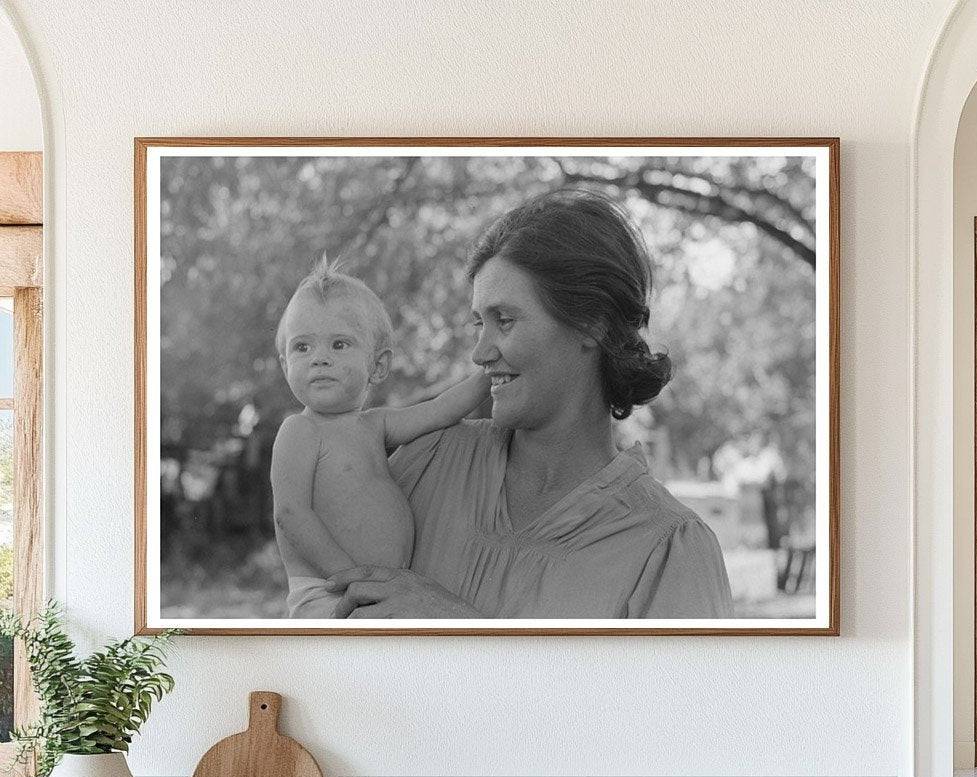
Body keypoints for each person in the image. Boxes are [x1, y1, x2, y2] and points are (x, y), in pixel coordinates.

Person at [328, 190, 735, 619]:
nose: (480, 352)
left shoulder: (668, 549)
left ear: (591, 323)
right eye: (478, 323)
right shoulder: (429, 462)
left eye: (504, 320)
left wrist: (461, 630)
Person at [271, 255, 489, 618]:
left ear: (378, 365)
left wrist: (486, 375)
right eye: (302, 347)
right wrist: (350, 579)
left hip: (376, 593)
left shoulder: (375, 425)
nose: (318, 359)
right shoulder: (300, 430)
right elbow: (291, 515)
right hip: (329, 596)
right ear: (285, 364)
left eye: (339, 344)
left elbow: (441, 409)